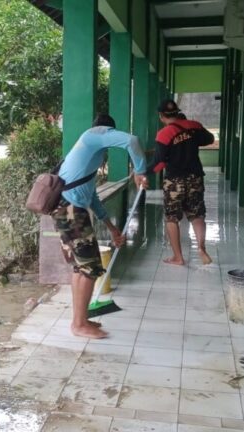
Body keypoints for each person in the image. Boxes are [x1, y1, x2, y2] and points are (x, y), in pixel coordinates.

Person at [52, 114, 148, 339]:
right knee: (90, 268)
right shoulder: (94, 134)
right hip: (69, 210)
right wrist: (140, 171)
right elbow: (132, 141)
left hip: (71, 208)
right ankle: (78, 325)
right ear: (107, 130)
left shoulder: (89, 161)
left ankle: (81, 320)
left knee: (82, 267)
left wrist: (112, 229)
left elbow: (92, 197)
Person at [149, 99, 215, 266]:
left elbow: (158, 162)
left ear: (161, 116)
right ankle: (201, 248)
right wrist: (190, 141)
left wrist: (142, 173)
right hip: (195, 178)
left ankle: (178, 257)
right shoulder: (194, 126)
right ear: (177, 112)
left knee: (172, 218)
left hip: (174, 181)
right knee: (197, 214)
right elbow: (209, 139)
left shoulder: (164, 133)